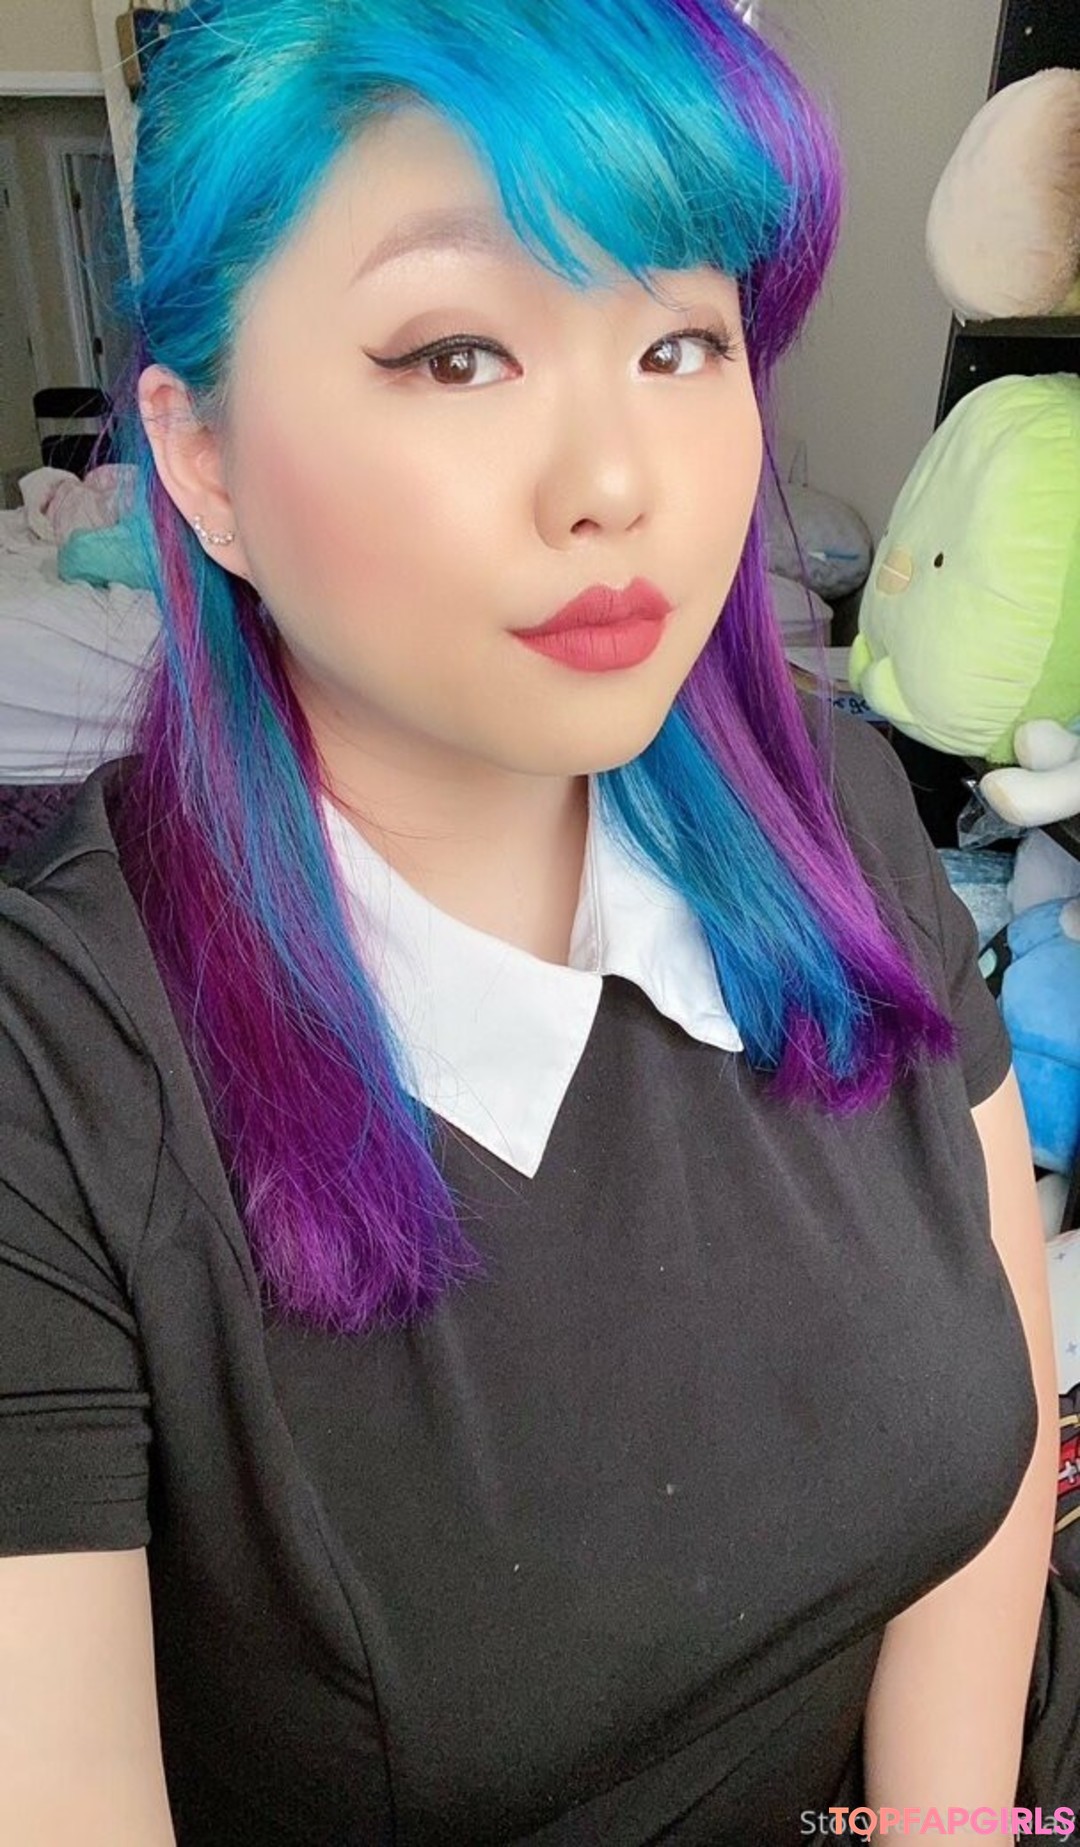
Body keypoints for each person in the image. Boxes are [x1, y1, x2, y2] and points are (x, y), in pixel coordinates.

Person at [0, 2, 1075, 1841]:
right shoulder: (56, 1080)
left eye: (680, 342)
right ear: (204, 462)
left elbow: (997, 1419)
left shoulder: (826, 806)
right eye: (459, 354)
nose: (619, 484)